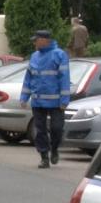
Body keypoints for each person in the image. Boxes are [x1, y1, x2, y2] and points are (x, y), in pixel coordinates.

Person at [20, 30, 70, 169]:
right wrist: (24, 97)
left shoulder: (59, 54)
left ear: (44, 40)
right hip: (37, 101)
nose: (34, 43)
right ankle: (44, 157)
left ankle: (54, 149)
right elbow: (28, 78)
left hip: (56, 102)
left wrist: (64, 100)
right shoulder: (34, 56)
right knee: (40, 131)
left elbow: (64, 78)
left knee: (56, 128)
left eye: (36, 40)